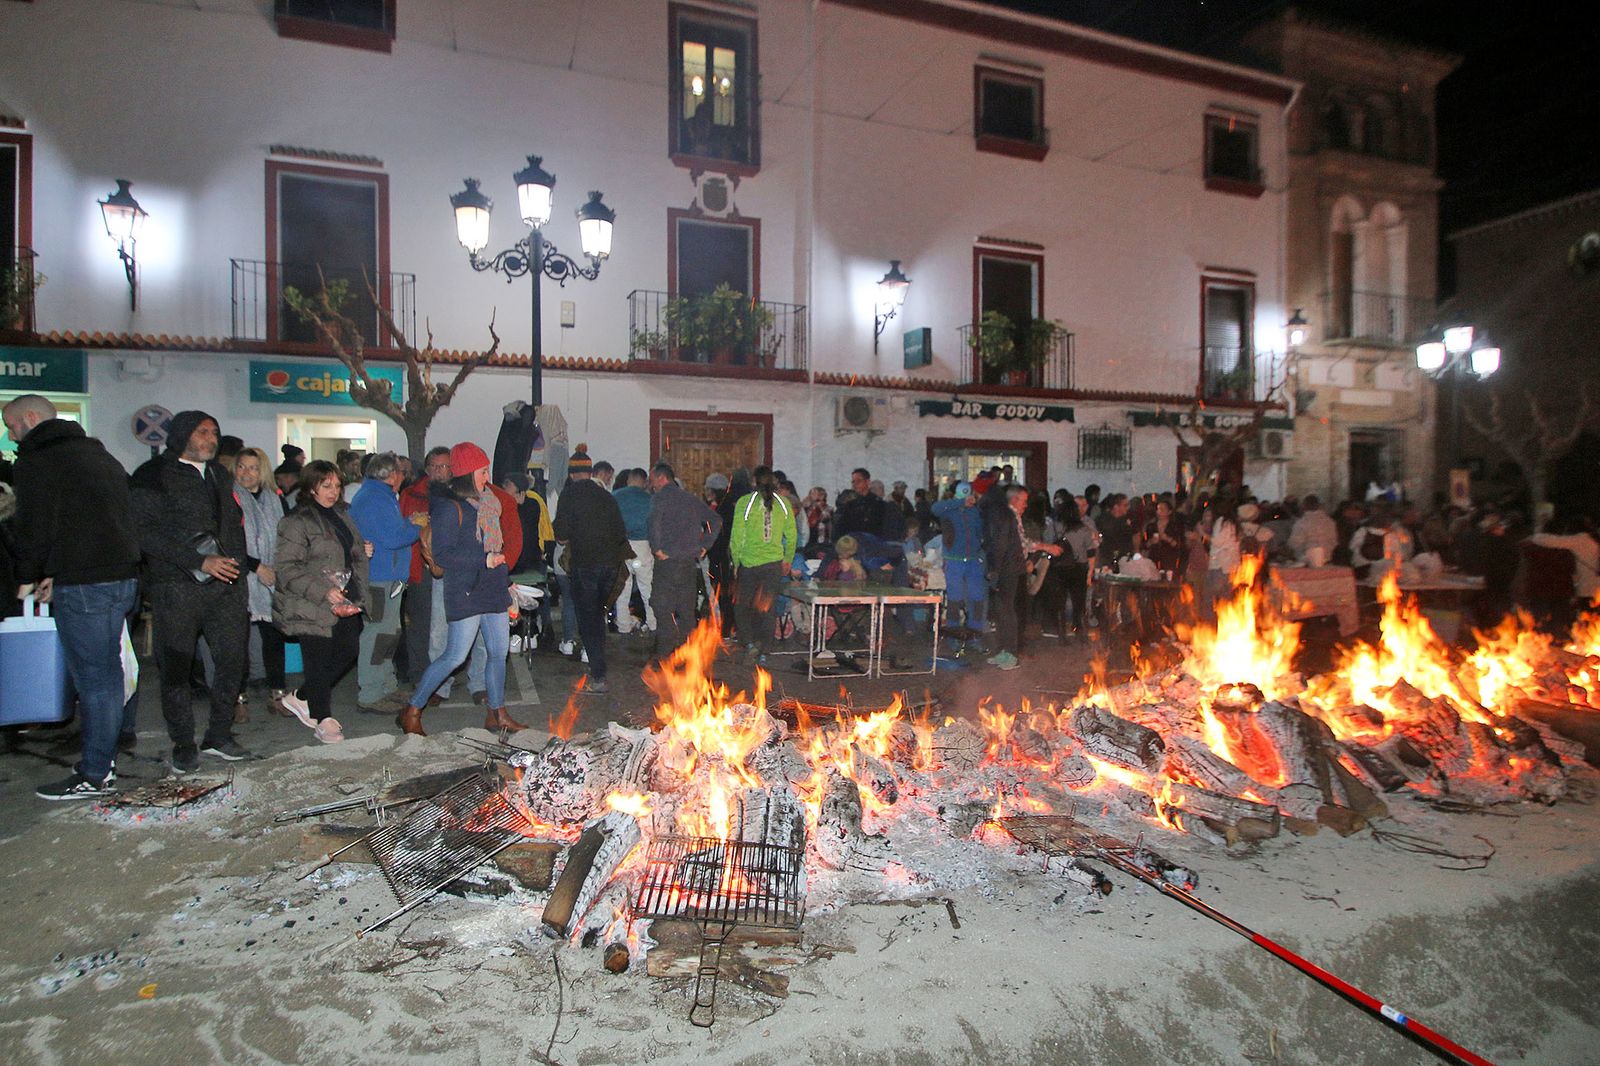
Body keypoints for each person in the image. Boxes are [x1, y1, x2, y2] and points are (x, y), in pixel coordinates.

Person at [5, 395, 142, 800]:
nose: (12, 434)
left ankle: (95, 772)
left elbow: (35, 527)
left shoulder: (37, 461)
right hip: (121, 578)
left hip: (86, 586)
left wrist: (27, 576)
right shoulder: (100, 455)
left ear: (30, 419)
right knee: (109, 676)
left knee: (96, 681)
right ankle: (104, 762)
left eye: (11, 425)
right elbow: (103, 520)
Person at [128, 410, 253, 772]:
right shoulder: (152, 475)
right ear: (182, 434)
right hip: (177, 587)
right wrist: (198, 562)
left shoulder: (217, 473)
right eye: (202, 432)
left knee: (232, 661)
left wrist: (239, 570)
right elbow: (145, 532)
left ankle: (218, 735)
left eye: (214, 431)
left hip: (226, 588)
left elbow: (231, 526)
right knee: (177, 669)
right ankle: (183, 741)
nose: (210, 438)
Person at [401, 443, 522, 733]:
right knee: (454, 656)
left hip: (492, 589)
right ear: (468, 473)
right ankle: (413, 709)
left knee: (497, 651)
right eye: (482, 471)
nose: (487, 476)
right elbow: (443, 555)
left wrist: (506, 582)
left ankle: (497, 714)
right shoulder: (449, 507)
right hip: (465, 590)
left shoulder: (490, 502)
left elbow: (498, 547)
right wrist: (484, 559)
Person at [274, 461, 367, 744]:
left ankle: (302, 696)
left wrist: (362, 550)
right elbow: (287, 567)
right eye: (326, 486)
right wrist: (322, 591)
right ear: (311, 486)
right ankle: (322, 718)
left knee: (348, 649)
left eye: (337, 486)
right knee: (317, 658)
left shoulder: (341, 514)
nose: (333, 491)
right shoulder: (297, 520)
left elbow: (344, 550)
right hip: (310, 602)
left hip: (343, 596)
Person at [552, 445, 628, 693]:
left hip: (586, 565)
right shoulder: (606, 496)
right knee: (599, 614)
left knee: (588, 618)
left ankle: (598, 675)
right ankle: (598, 664)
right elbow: (620, 533)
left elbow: (561, 537)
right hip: (610, 566)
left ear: (572, 474)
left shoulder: (569, 496)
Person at [348, 452, 420, 713]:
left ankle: (385, 686)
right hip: (379, 578)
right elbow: (392, 538)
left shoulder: (376, 496)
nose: (403, 475)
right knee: (378, 633)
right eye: (400, 471)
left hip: (384, 576)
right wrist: (416, 527)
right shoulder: (376, 499)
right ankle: (370, 692)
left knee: (388, 633)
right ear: (391, 475)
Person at [232, 447, 288, 717]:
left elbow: (285, 535)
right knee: (237, 641)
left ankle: (277, 694)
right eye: (241, 467)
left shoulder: (275, 499)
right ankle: (237, 698)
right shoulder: (229, 498)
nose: (246, 473)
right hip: (240, 577)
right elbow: (225, 541)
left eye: (253, 468)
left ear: (262, 471)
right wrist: (255, 566)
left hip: (273, 577)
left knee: (274, 638)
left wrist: (278, 568)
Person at [647, 461, 723, 656]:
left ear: (662, 478)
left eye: (653, 479)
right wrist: (705, 545)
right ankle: (687, 651)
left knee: (661, 605)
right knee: (686, 608)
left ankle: (666, 654)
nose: (651, 483)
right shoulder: (691, 499)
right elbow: (715, 520)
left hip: (668, 562)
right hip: (689, 563)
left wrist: (657, 548)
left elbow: (654, 523)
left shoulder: (659, 498)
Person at [985, 484, 1061, 669]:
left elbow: (1019, 543)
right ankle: (1005, 652)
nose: (1026, 505)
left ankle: (1009, 654)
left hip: (1010, 569)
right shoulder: (1007, 516)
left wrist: (1045, 547)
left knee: (1007, 611)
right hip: (1008, 568)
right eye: (1024, 501)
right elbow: (1006, 544)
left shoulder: (1010, 515)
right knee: (1005, 611)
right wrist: (995, 570)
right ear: (1014, 499)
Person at [727, 466, 798, 663]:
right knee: (767, 607)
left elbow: (736, 537)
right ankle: (765, 650)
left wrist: (736, 561)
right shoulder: (784, 504)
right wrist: (788, 559)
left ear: (753, 482)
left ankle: (749, 642)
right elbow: (792, 536)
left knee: (742, 606)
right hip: (773, 564)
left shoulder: (744, 503)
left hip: (749, 564)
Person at [400, 447, 451, 686]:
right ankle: (420, 674)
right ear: (428, 469)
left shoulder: (457, 494)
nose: (440, 472)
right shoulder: (411, 494)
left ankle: (444, 673)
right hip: (420, 568)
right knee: (421, 624)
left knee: (450, 624)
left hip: (452, 568)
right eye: (435, 466)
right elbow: (399, 529)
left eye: (445, 466)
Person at [932, 482, 987, 651]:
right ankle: (953, 636)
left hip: (973, 560)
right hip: (954, 560)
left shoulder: (974, 512)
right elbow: (935, 509)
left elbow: (980, 531)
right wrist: (959, 503)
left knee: (977, 600)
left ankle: (975, 636)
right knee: (955, 600)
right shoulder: (948, 509)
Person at [611, 468, 656, 635]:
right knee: (647, 588)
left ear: (629, 480)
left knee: (622, 587)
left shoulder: (615, 496)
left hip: (621, 546)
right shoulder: (650, 500)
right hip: (643, 546)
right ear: (644, 482)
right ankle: (652, 623)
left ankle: (623, 625)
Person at [1287, 495, 1339, 565]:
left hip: (1307, 560)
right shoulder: (1330, 522)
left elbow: (1294, 543)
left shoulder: (1302, 522)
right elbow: (1334, 541)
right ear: (1319, 505)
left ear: (1304, 506)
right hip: (1327, 559)